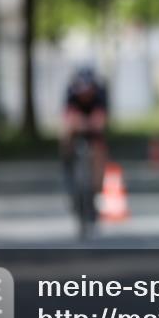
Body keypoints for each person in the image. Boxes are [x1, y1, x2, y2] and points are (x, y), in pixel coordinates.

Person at [61, 66, 109, 218]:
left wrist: (94, 124)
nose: (85, 94)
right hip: (78, 121)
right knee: (65, 136)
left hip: (93, 124)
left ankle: (97, 186)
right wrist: (76, 124)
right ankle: (67, 164)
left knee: (99, 149)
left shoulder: (100, 94)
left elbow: (101, 118)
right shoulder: (71, 93)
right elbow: (68, 116)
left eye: (87, 90)